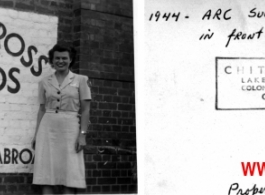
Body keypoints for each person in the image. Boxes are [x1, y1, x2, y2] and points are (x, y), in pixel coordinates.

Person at [31, 44, 91, 194]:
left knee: (70, 171)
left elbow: (86, 110)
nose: (60, 61)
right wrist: (36, 134)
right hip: (47, 129)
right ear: (52, 60)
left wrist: (82, 135)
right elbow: (42, 110)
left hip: (70, 128)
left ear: (71, 60)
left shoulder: (81, 80)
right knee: (46, 172)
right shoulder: (44, 82)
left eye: (64, 58)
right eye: (57, 58)